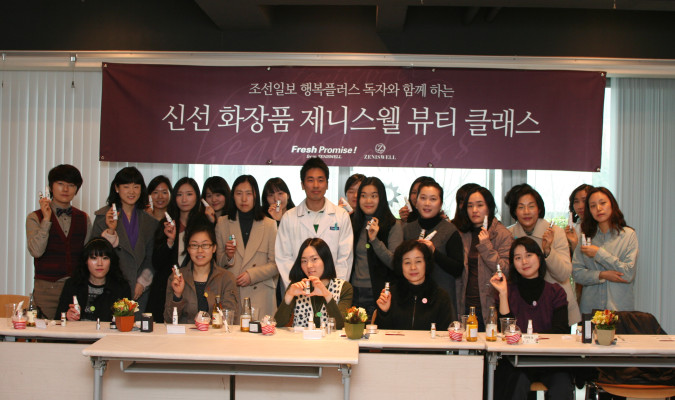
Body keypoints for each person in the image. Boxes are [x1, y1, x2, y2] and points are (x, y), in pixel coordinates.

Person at [490, 237, 573, 400]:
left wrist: (528, 338)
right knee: (515, 382)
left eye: (529, 255)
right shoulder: (508, 291)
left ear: (539, 258)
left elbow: (561, 330)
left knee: (562, 384)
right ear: (513, 264)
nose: (524, 262)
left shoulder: (555, 292)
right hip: (516, 361)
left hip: (550, 360)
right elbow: (507, 332)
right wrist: (503, 294)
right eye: (518, 258)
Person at [504, 183, 580, 326]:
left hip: (557, 306)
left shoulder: (555, 232)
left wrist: (548, 251)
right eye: (521, 207)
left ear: (539, 209)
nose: (527, 212)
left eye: (531, 206)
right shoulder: (508, 234)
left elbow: (563, 274)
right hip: (523, 307)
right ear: (514, 211)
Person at [275, 157, 353, 290]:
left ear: (327, 184)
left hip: (331, 290)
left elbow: (344, 258)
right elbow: (284, 258)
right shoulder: (289, 217)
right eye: (310, 180)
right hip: (299, 289)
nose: (316, 185)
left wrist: (334, 290)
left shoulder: (341, 216)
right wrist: (297, 288)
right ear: (302, 184)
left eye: (320, 180)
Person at [26, 164, 91, 319]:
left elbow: (87, 255)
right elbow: (36, 251)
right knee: (47, 331)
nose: (65, 189)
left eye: (71, 185)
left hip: (75, 288)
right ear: (50, 187)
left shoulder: (84, 218)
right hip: (46, 290)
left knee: (75, 331)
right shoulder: (35, 217)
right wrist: (46, 220)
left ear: (77, 189)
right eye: (60, 184)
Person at [91, 167, 158, 312]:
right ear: (117, 188)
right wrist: (110, 231)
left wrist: (142, 283)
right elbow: (94, 253)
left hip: (139, 290)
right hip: (109, 287)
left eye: (136, 186)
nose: (131, 191)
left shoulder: (150, 222)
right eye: (126, 186)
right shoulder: (103, 217)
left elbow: (151, 258)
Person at [215, 175, 278, 318]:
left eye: (248, 193)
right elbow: (218, 263)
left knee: (260, 331)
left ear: (255, 195)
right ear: (233, 196)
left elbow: (276, 265)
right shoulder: (222, 223)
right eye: (239, 193)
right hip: (232, 294)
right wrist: (228, 257)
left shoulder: (269, 224)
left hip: (260, 294)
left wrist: (252, 275)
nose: (244, 199)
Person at [402, 180, 463, 320]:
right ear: (416, 202)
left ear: (440, 204)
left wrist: (434, 252)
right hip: (412, 301)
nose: (427, 203)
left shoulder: (450, 230)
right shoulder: (407, 229)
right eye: (423, 198)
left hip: (441, 301)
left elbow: (458, 269)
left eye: (433, 199)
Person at [572, 187, 638, 313]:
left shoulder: (628, 235)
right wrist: (602, 275)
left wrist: (598, 253)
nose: (598, 208)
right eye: (593, 206)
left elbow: (628, 274)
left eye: (603, 203)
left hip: (619, 310)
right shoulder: (586, 237)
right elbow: (577, 273)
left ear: (612, 204)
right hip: (590, 310)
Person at [454, 186, 513, 327]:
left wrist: (486, 246)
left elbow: (505, 270)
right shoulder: (462, 232)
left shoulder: (502, 234)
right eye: (470, 206)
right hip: (464, 305)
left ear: (489, 207)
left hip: (489, 305)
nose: (474, 210)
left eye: (480, 205)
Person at [147, 177, 202, 322]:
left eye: (189, 194)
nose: (184, 199)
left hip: (193, 289)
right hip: (164, 289)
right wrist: (170, 242)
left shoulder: (203, 225)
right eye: (179, 194)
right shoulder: (165, 224)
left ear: (197, 196)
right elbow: (156, 263)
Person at [164, 219, 240, 324]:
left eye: (205, 245)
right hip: (185, 334)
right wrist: (177, 296)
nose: (200, 250)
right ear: (188, 249)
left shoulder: (226, 278)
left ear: (214, 248)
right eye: (194, 245)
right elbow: (168, 319)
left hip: (216, 334)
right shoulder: (177, 278)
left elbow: (230, 318)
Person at [350, 177, 403, 317]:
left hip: (380, 293)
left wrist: (375, 240)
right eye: (363, 196)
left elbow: (395, 263)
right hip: (353, 291)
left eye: (373, 196)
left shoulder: (393, 225)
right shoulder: (351, 222)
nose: (368, 201)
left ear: (382, 198)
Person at [274, 238, 353, 329]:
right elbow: (278, 324)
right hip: (301, 338)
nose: (309, 266)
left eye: (314, 259)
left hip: (330, 338)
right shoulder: (297, 286)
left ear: (325, 260)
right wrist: (288, 296)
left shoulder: (344, 287)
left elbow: (341, 325)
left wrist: (327, 295)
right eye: (304, 261)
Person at [375, 240, 453, 330]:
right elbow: (380, 334)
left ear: (426, 263)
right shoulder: (390, 295)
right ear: (400, 265)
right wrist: (384, 313)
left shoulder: (441, 297)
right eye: (407, 262)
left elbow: (444, 335)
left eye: (418, 261)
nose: (413, 267)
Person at [55, 238, 131, 321]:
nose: (100, 264)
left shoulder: (122, 288)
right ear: (86, 261)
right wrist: (66, 316)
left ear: (111, 261)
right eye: (94, 258)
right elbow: (57, 319)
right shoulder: (72, 285)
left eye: (105, 258)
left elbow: (127, 322)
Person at [565, 184, 592, 254]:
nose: (580, 206)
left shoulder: (601, 227)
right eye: (576, 201)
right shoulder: (574, 228)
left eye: (584, 201)